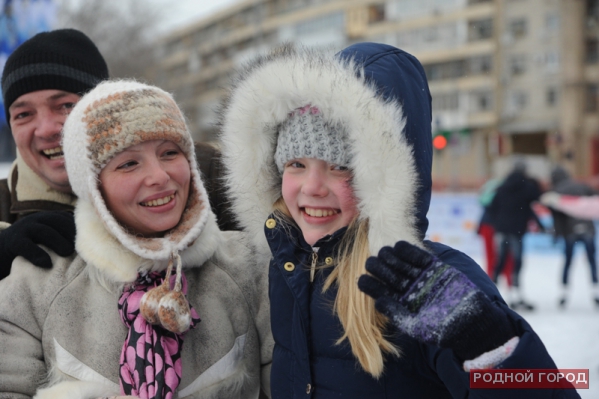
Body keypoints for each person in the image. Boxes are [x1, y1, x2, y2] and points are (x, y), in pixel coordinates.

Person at [219, 43, 577, 398]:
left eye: (340, 166)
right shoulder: (287, 272)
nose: (311, 188)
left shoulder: (429, 284)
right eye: (296, 164)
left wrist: (491, 350)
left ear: (386, 180)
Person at [0, 80, 272, 398]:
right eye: (128, 163)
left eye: (170, 153)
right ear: (93, 187)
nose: (159, 176)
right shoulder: (37, 282)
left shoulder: (252, 266)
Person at [0, 28, 237, 280]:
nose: (46, 129)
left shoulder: (208, 173)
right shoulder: (3, 206)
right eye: (23, 114)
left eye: (66, 105)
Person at [487, 160, 545, 311]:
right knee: (517, 262)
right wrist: (540, 225)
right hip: (517, 230)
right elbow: (536, 200)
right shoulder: (527, 186)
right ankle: (517, 295)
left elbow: (492, 207)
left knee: (500, 261)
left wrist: (499, 223)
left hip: (502, 229)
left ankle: (490, 293)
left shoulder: (502, 186)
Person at [546, 166, 599, 307]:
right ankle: (596, 292)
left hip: (569, 231)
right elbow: (594, 202)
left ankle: (564, 293)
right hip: (588, 229)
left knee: (568, 262)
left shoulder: (556, 192)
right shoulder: (581, 186)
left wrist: (557, 234)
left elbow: (557, 218)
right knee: (592, 261)